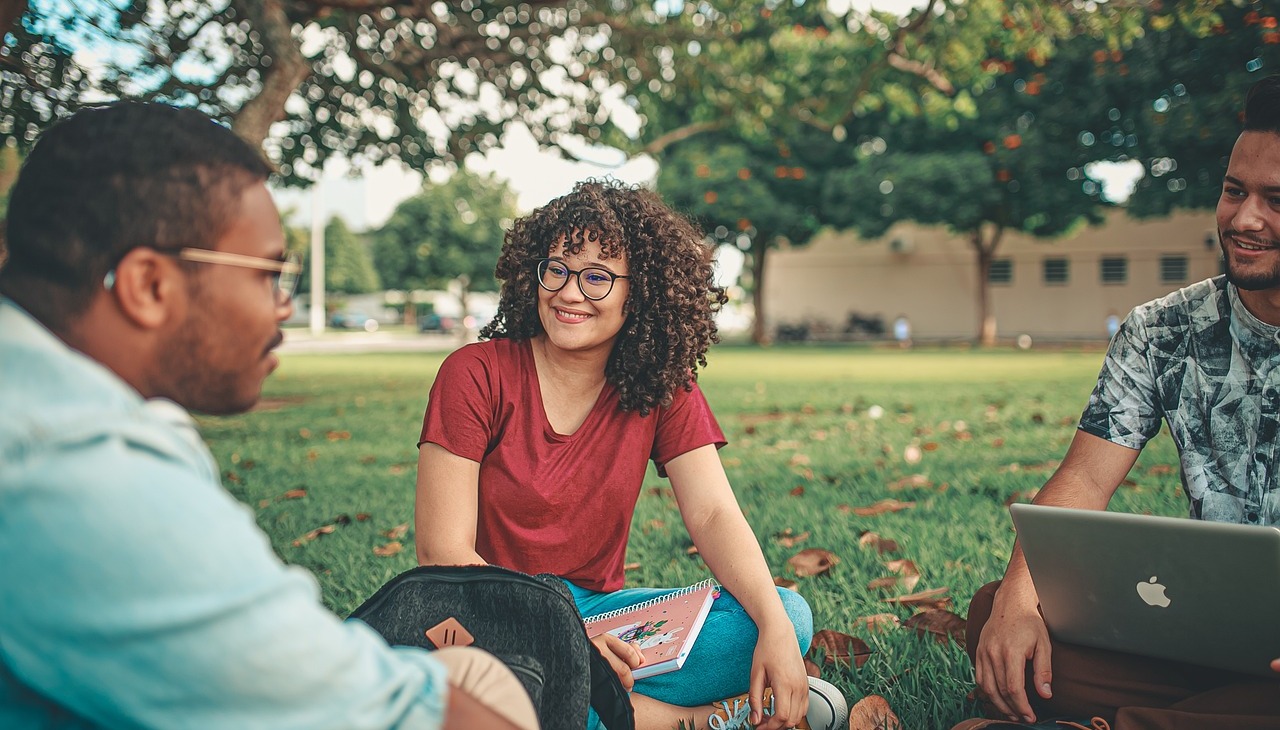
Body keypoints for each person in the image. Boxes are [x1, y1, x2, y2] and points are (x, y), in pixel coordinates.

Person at [0, 102, 536, 730]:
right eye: (268, 274)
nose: (283, 306)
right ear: (150, 285)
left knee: (471, 671)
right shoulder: (78, 472)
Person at [414, 180, 849, 730]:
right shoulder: (474, 373)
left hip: (597, 618)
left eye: (597, 277)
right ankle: (691, 721)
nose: (570, 293)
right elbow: (442, 553)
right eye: (558, 269)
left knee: (785, 613)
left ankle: (584, 703)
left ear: (638, 292)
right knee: (486, 690)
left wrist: (776, 631)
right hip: (486, 617)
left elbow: (712, 513)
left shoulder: (662, 385)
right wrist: (565, 645)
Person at [956, 76, 1280, 730]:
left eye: (1276, 200)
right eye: (1233, 191)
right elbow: (1083, 477)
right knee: (997, 617)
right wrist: (1019, 608)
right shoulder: (1163, 331)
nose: (1244, 219)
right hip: (1211, 638)